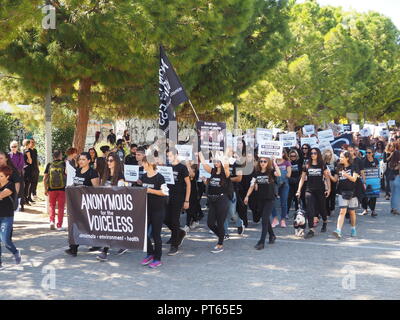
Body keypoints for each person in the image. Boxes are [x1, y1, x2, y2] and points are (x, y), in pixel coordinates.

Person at [65, 152, 100, 257]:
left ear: (89, 161)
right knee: (75, 225)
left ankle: (97, 243)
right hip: (77, 203)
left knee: (88, 226)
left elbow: (96, 189)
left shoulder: (92, 173)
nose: (81, 161)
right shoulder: (78, 171)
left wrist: (85, 190)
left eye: (84, 159)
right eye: (80, 159)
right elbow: (75, 183)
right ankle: (73, 248)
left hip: (88, 204)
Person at [244, 157, 281, 250]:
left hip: (270, 199)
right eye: (261, 161)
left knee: (264, 219)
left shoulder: (271, 172)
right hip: (260, 199)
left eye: (265, 161)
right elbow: (252, 185)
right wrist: (247, 196)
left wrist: (275, 163)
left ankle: (261, 242)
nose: (262, 163)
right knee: (265, 219)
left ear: (267, 162)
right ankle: (272, 235)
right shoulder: (256, 173)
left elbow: (279, 174)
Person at [139, 155, 169, 268]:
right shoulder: (143, 176)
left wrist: (150, 190)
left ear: (149, 163)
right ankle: (150, 253)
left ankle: (157, 258)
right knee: (143, 233)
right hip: (146, 209)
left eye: (143, 163)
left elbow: (164, 193)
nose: (142, 165)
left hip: (158, 210)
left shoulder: (159, 177)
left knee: (156, 235)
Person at [199, 151, 230, 253]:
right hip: (212, 200)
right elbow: (204, 164)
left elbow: (226, 166)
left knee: (220, 223)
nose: (216, 163)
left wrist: (225, 155)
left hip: (222, 200)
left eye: (218, 161)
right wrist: (199, 152)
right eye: (215, 161)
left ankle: (220, 244)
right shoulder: (212, 171)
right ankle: (222, 235)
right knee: (210, 223)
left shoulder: (225, 173)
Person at [97, 152, 126, 262]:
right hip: (105, 205)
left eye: (111, 161)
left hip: (115, 206)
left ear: (116, 162)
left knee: (110, 229)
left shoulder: (120, 176)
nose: (108, 163)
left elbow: (121, 191)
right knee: (111, 228)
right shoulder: (105, 174)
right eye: (107, 160)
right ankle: (123, 244)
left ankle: (104, 251)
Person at [296, 148, 331, 238]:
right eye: (311, 153)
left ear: (318, 154)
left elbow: (327, 177)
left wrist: (329, 189)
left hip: (320, 190)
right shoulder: (307, 165)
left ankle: (325, 222)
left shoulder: (322, 165)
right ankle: (311, 229)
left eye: (315, 153)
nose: (313, 154)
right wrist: (299, 190)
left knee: (322, 208)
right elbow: (302, 178)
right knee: (310, 209)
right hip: (309, 190)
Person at [165, 147, 190, 256]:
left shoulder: (182, 168)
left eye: (170, 156)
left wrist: (187, 200)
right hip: (167, 197)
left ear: (175, 155)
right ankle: (179, 232)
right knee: (165, 218)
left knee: (175, 220)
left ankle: (174, 245)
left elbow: (188, 184)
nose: (168, 158)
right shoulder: (168, 167)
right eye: (167, 156)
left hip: (178, 197)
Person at [332, 151, 360, 239]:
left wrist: (346, 175)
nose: (340, 159)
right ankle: (338, 230)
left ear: (347, 158)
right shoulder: (338, 167)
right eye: (340, 157)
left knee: (352, 212)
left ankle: (353, 228)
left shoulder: (354, 166)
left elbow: (354, 179)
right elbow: (335, 180)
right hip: (342, 192)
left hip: (353, 192)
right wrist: (328, 174)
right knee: (342, 211)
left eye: (342, 157)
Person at [0, 166, 22, 268]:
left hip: (6, 217)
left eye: (1, 176)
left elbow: (2, 195)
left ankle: (16, 252)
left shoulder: (10, 185)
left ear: (7, 176)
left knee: (5, 240)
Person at [44, 150, 67, 231]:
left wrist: (45, 189)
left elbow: (45, 178)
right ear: (60, 155)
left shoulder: (49, 165)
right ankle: (59, 225)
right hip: (62, 189)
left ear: (53, 156)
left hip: (51, 188)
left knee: (52, 205)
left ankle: (51, 221)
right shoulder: (64, 164)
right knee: (61, 207)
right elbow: (67, 175)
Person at [271, 151, 291, 228]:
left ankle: (283, 220)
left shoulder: (287, 162)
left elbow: (289, 175)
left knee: (284, 202)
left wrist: (280, 173)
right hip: (274, 184)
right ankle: (275, 219)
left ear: (283, 154)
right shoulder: (273, 162)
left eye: (280, 152)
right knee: (272, 201)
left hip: (284, 184)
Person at [360, 147, 379, 217]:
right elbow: (361, 170)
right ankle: (365, 209)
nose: (367, 154)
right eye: (366, 153)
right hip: (365, 180)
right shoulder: (363, 160)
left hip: (374, 180)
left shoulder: (375, 160)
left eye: (369, 153)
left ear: (372, 153)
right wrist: (364, 180)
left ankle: (373, 210)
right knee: (364, 196)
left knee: (374, 195)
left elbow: (377, 168)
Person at [9, 141, 25, 211]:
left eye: (15, 146)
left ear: (17, 147)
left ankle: (20, 205)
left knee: (20, 191)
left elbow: (21, 164)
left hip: (18, 175)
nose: (13, 148)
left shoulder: (20, 154)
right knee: (11, 190)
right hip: (10, 175)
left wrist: (17, 171)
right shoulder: (8, 155)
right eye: (12, 147)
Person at [323, 149, 337, 217]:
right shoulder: (323, 163)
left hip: (332, 179)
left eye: (330, 155)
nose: (328, 156)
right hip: (325, 180)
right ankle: (327, 210)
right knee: (326, 195)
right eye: (327, 155)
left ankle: (332, 208)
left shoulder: (334, 161)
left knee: (333, 194)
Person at [287, 149, 301, 216]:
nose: (293, 157)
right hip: (290, 182)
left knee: (297, 198)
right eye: (291, 156)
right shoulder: (288, 162)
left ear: (296, 156)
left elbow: (301, 172)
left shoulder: (299, 162)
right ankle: (286, 212)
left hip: (297, 181)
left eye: (294, 156)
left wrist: (298, 179)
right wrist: (290, 179)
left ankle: (297, 212)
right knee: (289, 197)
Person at [387, 150, 400, 215]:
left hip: (391, 179)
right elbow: (396, 169)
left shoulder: (390, 162)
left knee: (392, 194)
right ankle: (395, 209)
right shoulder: (398, 162)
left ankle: (392, 208)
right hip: (397, 178)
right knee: (397, 194)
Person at [23, 139, 34, 205]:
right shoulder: (27, 151)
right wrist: (29, 159)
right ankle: (26, 200)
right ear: (28, 144)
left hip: (24, 169)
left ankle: (24, 199)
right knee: (27, 184)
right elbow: (30, 161)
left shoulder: (22, 150)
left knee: (25, 185)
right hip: (28, 169)